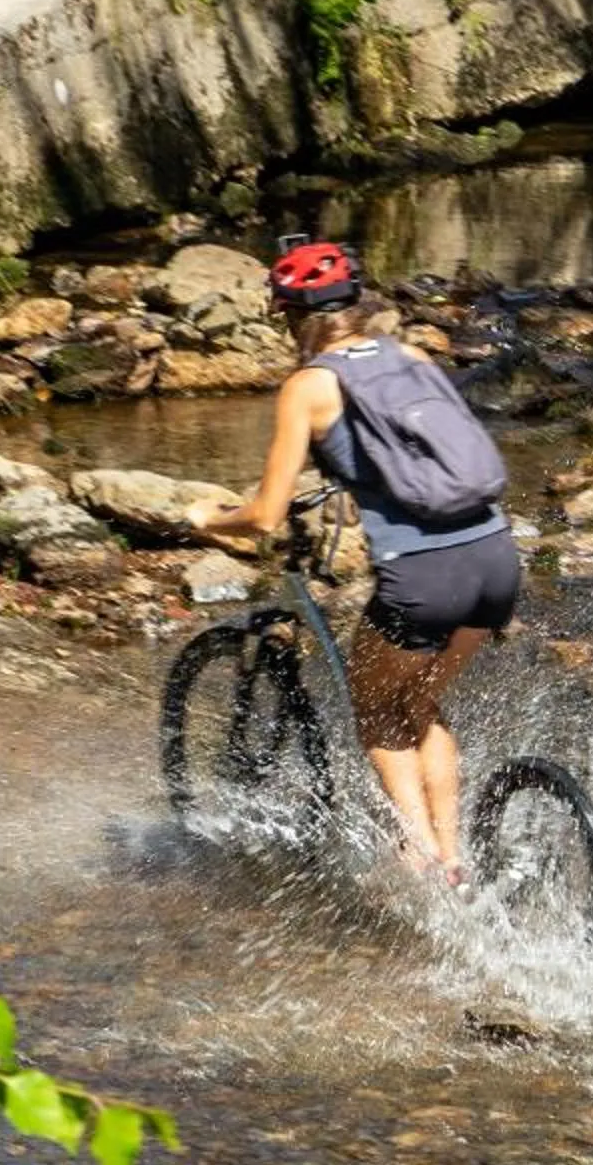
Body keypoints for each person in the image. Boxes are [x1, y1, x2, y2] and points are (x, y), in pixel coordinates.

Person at [193, 244, 523, 885]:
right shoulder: (416, 358)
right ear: (358, 305)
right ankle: (456, 859)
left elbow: (265, 514)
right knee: (420, 703)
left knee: (375, 708)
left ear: (289, 316)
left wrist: (210, 518)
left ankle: (421, 854)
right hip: (495, 556)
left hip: (426, 579)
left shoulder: (309, 385)